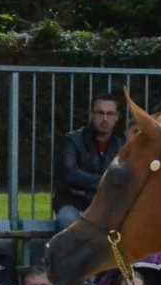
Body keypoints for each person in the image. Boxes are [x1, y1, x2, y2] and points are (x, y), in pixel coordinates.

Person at [53, 92, 124, 229]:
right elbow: (69, 175)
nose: (104, 118)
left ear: (117, 117)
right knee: (68, 221)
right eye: (100, 113)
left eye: (110, 114)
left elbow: (126, 178)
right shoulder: (72, 140)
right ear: (91, 115)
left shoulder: (122, 145)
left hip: (107, 205)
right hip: (73, 203)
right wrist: (105, 181)